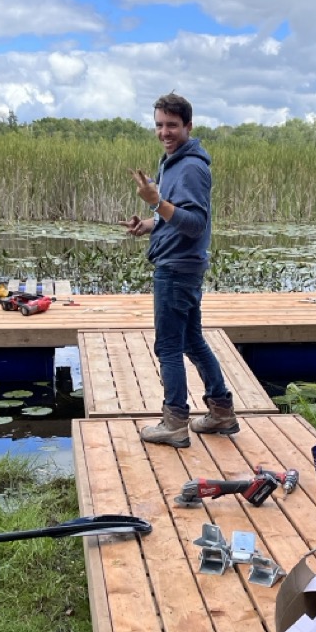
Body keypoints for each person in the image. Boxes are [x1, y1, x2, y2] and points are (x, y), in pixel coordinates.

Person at [121, 92, 239, 447]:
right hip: (181, 265)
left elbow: (195, 224)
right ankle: (221, 412)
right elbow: (176, 216)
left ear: (188, 126)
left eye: (172, 125)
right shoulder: (173, 161)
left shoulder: (191, 167)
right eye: (159, 124)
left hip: (177, 269)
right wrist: (151, 222)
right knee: (191, 340)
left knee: (168, 346)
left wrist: (157, 201)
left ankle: (174, 421)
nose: (164, 131)